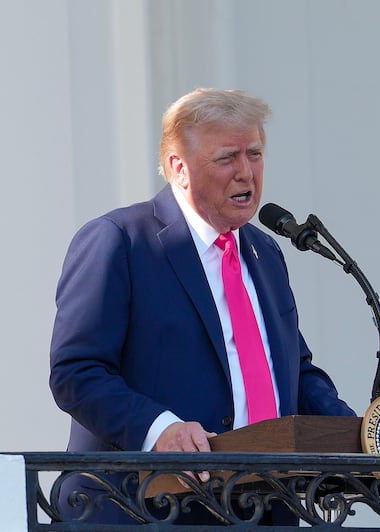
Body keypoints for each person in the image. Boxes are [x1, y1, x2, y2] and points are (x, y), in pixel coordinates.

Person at [49, 88, 356, 525]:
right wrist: (160, 429)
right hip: (145, 509)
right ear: (180, 167)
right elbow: (76, 373)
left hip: (263, 509)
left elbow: (293, 372)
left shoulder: (265, 252)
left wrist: (359, 436)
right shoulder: (120, 241)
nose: (246, 172)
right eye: (227, 158)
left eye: (255, 154)